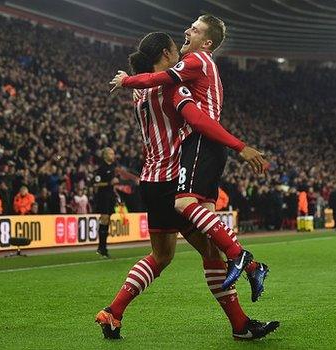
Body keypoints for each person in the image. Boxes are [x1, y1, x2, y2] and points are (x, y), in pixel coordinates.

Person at [97, 32, 278, 341]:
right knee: (211, 252)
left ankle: (113, 312)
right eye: (174, 51)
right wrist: (239, 147)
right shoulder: (170, 85)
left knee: (161, 256)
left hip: (150, 179)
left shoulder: (139, 93)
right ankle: (240, 322)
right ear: (167, 53)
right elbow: (197, 119)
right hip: (173, 177)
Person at [110, 14, 269, 290]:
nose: (187, 31)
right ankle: (248, 268)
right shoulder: (176, 85)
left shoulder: (164, 83)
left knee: (166, 249)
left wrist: (128, 81)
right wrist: (239, 147)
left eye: (194, 29)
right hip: (186, 158)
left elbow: (167, 87)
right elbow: (191, 113)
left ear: (206, 42)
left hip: (160, 171)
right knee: (204, 240)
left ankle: (243, 260)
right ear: (166, 52)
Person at [93, 147, 119, 257]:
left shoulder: (112, 167)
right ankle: (101, 247)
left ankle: (103, 247)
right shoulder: (101, 168)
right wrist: (109, 183)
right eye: (111, 154)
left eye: (113, 153)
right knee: (104, 219)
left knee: (107, 220)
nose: (113, 155)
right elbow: (96, 183)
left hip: (110, 196)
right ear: (105, 155)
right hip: (103, 196)